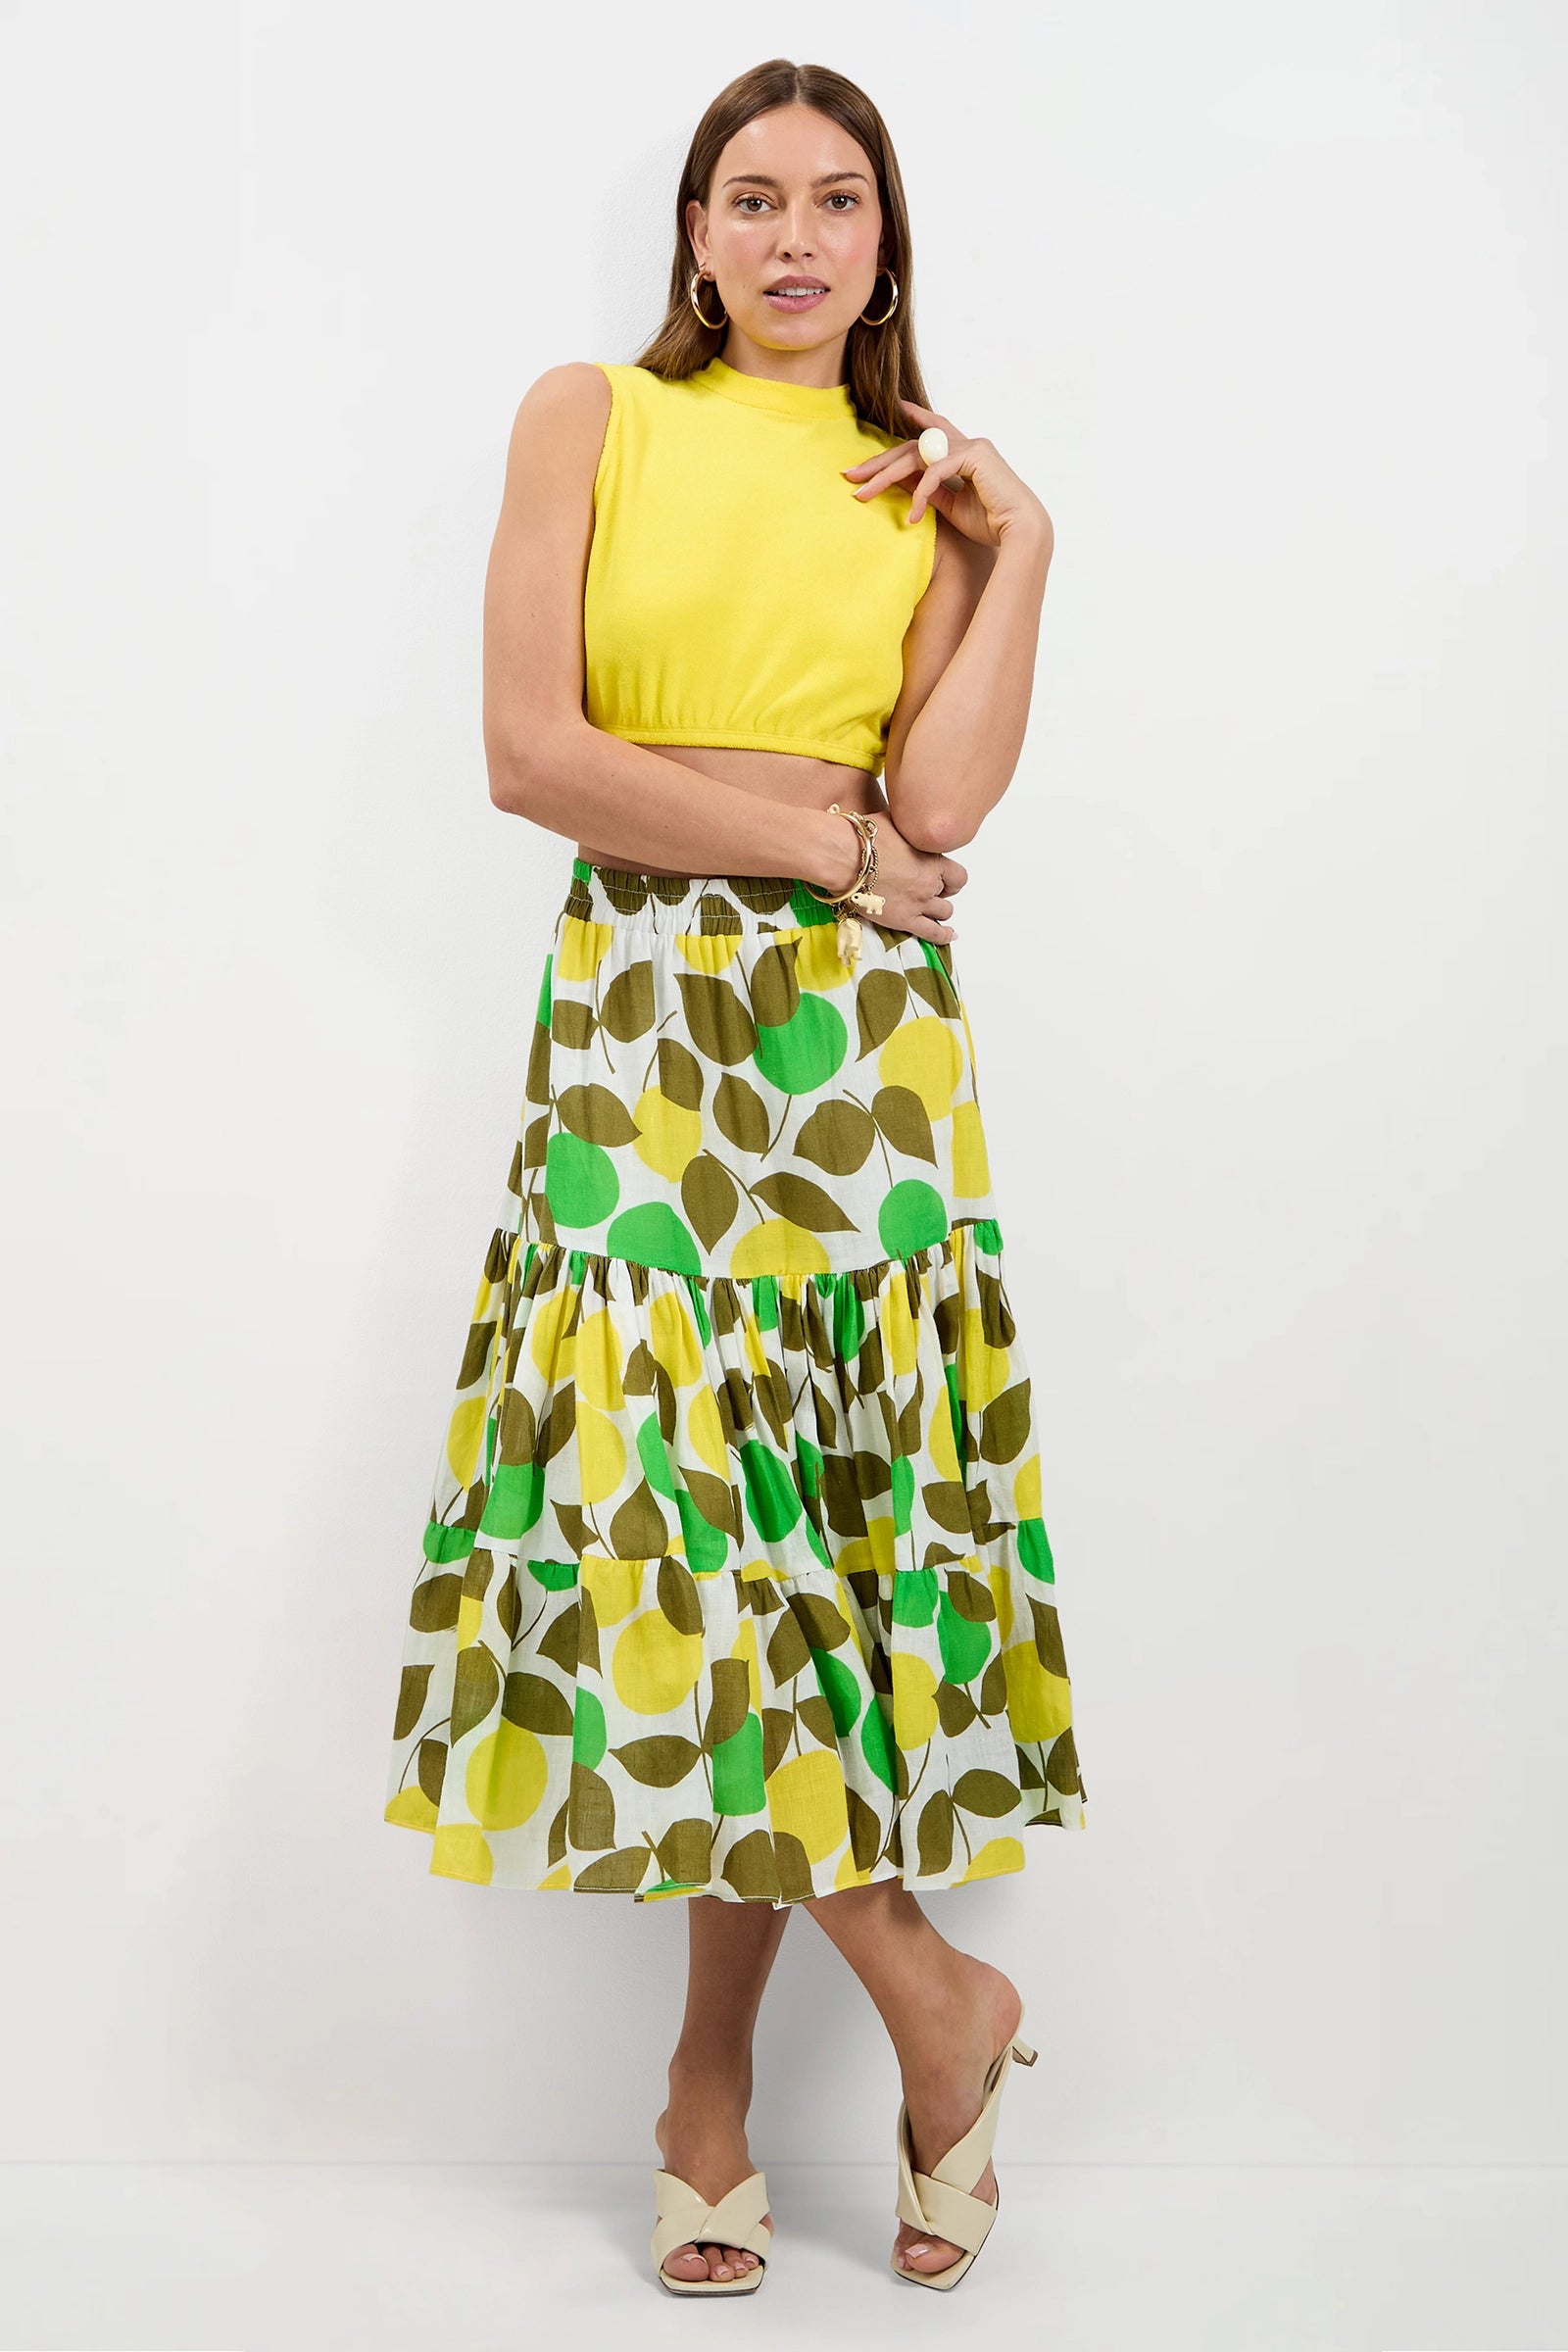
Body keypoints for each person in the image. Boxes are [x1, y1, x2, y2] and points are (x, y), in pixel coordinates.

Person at [382, 55, 1087, 2297]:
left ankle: (703, 2094)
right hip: (643, 1015)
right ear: (692, 231)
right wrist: (811, 839)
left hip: (857, 1066)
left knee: (799, 1532)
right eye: (751, 196)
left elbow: (943, 809)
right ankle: (928, 2000)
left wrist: (1019, 550)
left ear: (886, 245)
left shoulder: (914, 489)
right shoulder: (588, 411)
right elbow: (531, 752)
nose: (794, 237)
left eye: (839, 204)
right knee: (683, 1522)